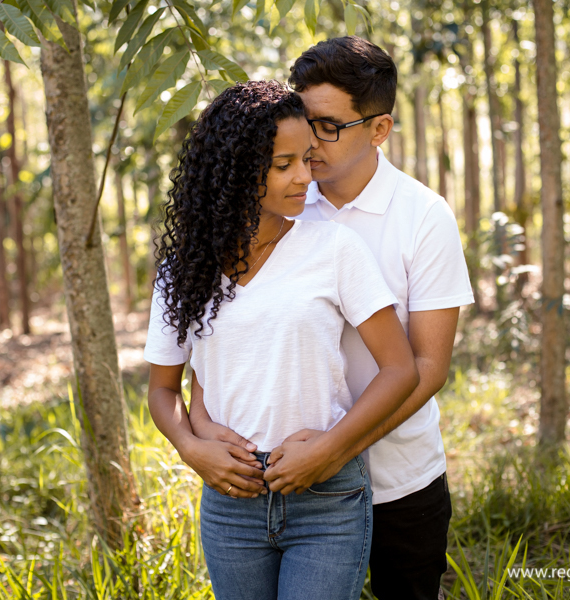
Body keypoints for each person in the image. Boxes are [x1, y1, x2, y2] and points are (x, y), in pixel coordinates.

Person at [188, 38, 475, 600]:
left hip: (398, 479)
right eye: (302, 119)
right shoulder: (282, 200)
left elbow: (428, 366)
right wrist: (199, 425)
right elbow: (217, 330)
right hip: (282, 489)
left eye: (327, 126)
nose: (309, 142)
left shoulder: (423, 218)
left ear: (379, 128)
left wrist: (335, 449)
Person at [144, 80, 420, 600]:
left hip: (327, 498)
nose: (304, 177)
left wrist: (334, 450)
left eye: (308, 159)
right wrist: (190, 447)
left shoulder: (333, 247)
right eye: (283, 164)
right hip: (230, 502)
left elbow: (400, 369)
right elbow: (163, 389)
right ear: (237, 171)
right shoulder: (184, 273)